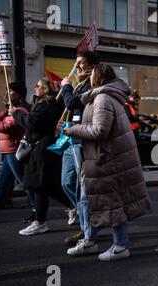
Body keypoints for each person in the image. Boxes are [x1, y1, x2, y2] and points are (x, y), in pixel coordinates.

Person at [64, 64, 152, 261]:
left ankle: (120, 246)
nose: (88, 77)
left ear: (98, 77)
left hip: (107, 158)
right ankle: (90, 241)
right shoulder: (101, 96)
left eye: (92, 74)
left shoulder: (103, 98)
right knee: (92, 200)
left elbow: (99, 130)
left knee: (111, 202)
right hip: (100, 157)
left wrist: (73, 129)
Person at [12, 78, 73, 236]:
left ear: (45, 89)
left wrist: (16, 113)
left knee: (39, 185)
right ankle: (72, 207)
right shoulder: (47, 104)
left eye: (38, 86)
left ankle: (40, 222)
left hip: (42, 150)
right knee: (47, 186)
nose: (35, 87)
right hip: (44, 148)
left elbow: (31, 123)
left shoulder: (46, 106)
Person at [60, 50, 100, 246]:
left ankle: (88, 231)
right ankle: (86, 225)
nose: (77, 67)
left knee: (84, 190)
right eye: (76, 63)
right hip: (70, 138)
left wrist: (66, 87)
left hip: (82, 140)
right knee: (67, 182)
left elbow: (72, 102)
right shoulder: (79, 83)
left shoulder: (92, 84)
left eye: (81, 63)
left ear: (91, 66)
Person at [0, 82, 35, 224]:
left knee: (25, 182)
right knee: (3, 183)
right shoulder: (10, 110)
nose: (6, 94)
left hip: (14, 151)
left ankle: (37, 210)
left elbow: (6, 126)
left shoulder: (21, 110)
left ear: (19, 94)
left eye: (10, 91)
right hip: (8, 150)